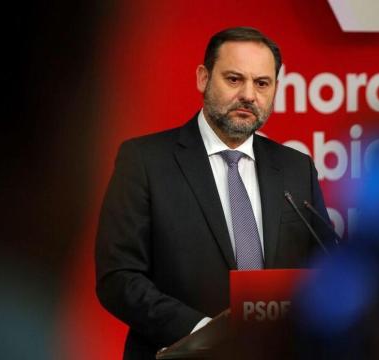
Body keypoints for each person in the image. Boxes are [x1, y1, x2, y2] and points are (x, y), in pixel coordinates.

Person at [95, 26, 331, 360]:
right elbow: (118, 278)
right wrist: (206, 333)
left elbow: (325, 268)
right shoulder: (145, 160)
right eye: (234, 79)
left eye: (262, 83)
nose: (249, 94)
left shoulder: (296, 168)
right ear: (203, 78)